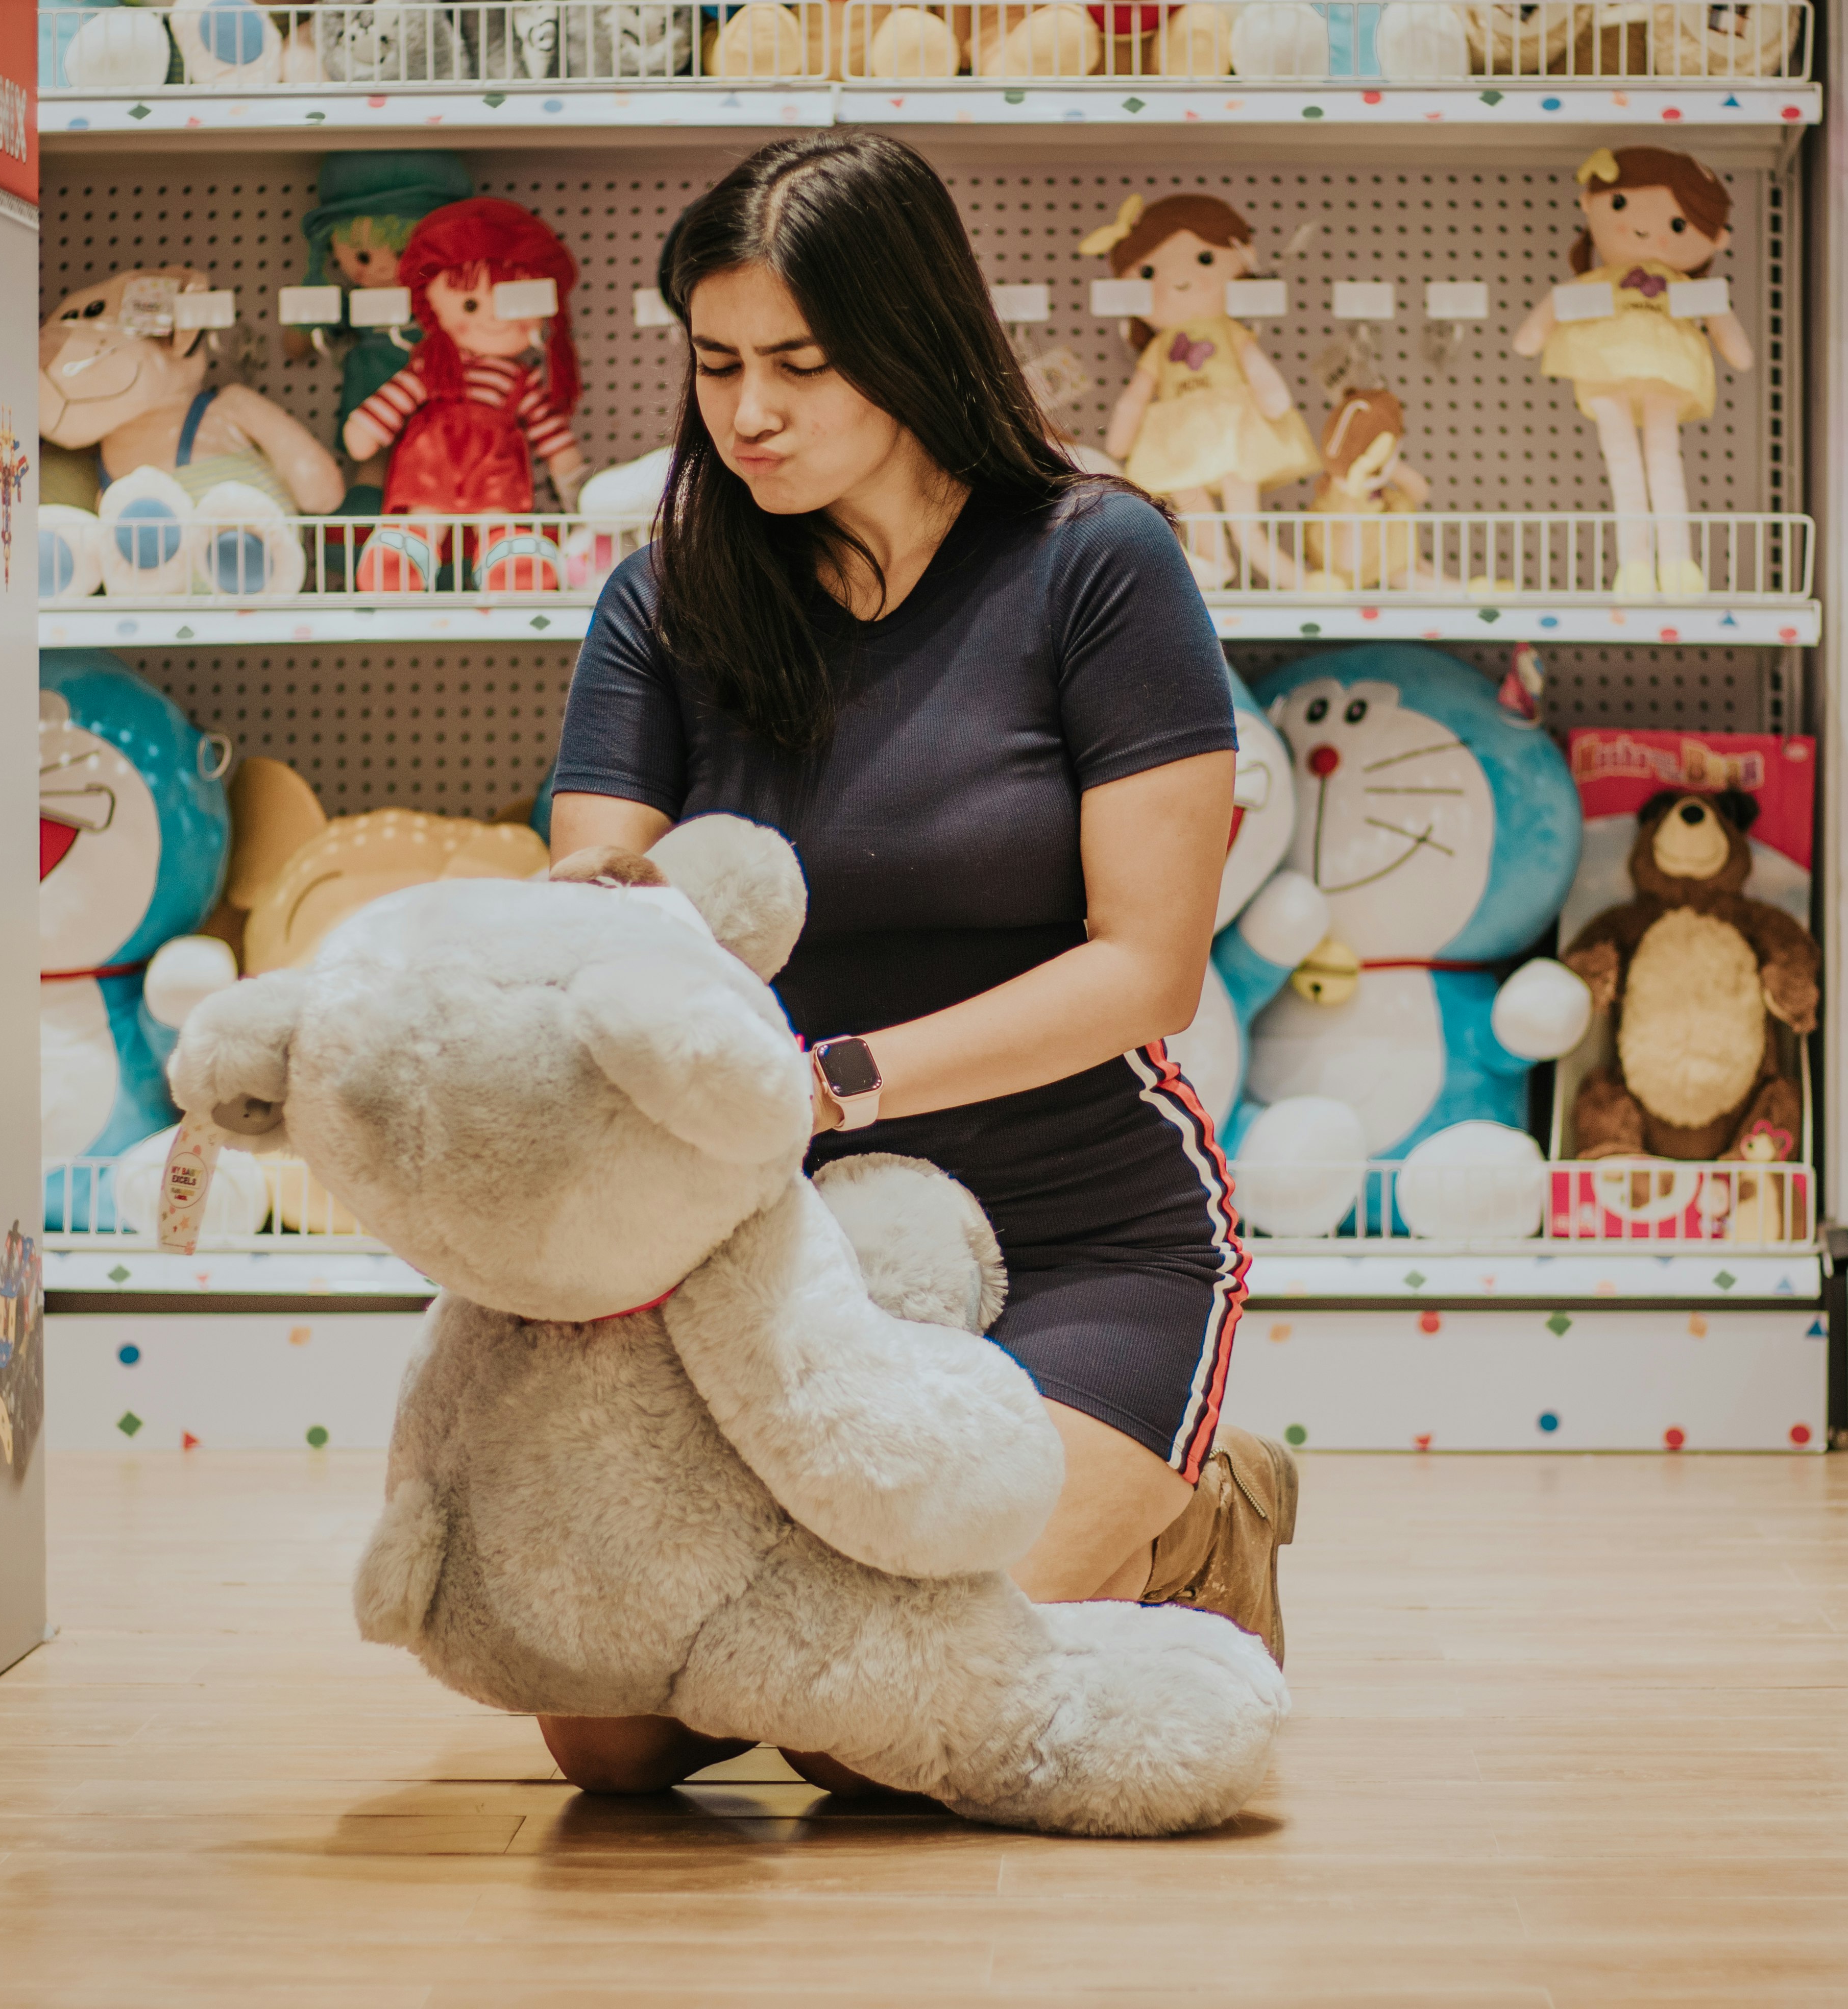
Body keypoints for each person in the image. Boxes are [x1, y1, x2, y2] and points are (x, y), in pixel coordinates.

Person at [542, 129, 1296, 1800]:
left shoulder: (1096, 560)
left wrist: (835, 1084)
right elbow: (595, 913)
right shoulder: (665, 602)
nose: (748, 414)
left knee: (874, 1739)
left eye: (802, 366)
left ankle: (1202, 1521)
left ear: (913, 343)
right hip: (765, 1262)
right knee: (608, 1743)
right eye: (719, 364)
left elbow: (1148, 970)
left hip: (1074, 1229)